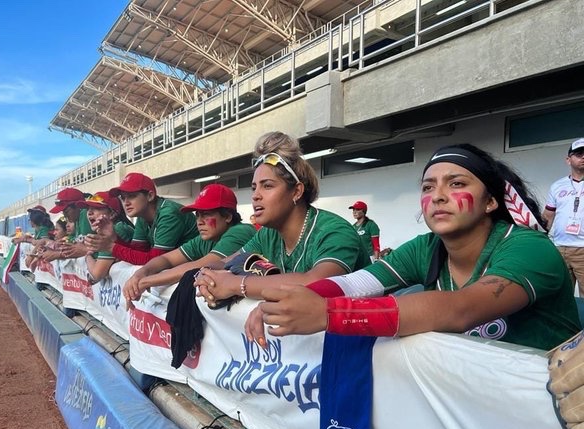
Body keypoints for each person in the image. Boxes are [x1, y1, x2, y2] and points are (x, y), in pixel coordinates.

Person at [247, 143, 581, 351]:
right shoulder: (426, 247)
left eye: (457, 184)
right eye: (427, 186)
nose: (437, 195)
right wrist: (282, 302)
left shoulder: (528, 248)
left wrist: (328, 314)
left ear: (491, 201)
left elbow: (460, 310)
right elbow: (355, 283)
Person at [194, 131, 371, 304]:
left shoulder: (334, 231)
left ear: (296, 191)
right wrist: (205, 274)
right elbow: (225, 262)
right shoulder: (268, 234)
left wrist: (236, 285)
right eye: (254, 187)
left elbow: (318, 282)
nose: (256, 195)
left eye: (267, 186)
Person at [123, 183, 256, 304]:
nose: (199, 221)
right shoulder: (206, 238)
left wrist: (145, 282)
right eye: (197, 215)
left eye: (206, 214)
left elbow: (200, 265)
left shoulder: (240, 231)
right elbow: (167, 258)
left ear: (227, 216)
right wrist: (141, 273)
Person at [84, 173, 198, 265]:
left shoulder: (168, 214)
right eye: (123, 198)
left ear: (150, 196)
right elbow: (137, 252)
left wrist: (110, 247)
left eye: (132, 196)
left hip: (198, 265)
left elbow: (155, 261)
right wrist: (114, 237)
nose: (126, 202)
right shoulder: (142, 216)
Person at [542, 138, 584, 294]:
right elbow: (548, 215)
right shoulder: (557, 186)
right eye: (579, 154)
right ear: (568, 160)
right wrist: (540, 239)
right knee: (560, 295)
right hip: (560, 249)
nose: (583, 157)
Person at [76, 191, 124, 283]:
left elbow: (96, 274)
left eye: (96, 208)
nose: (89, 212)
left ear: (112, 214)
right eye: (88, 208)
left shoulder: (118, 228)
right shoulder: (107, 229)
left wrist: (86, 254)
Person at [40, 188, 93, 261]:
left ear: (78, 206)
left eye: (66, 211)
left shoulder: (84, 214)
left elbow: (87, 249)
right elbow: (76, 243)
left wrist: (58, 254)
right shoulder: (77, 219)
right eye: (63, 212)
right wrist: (56, 246)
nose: (65, 215)